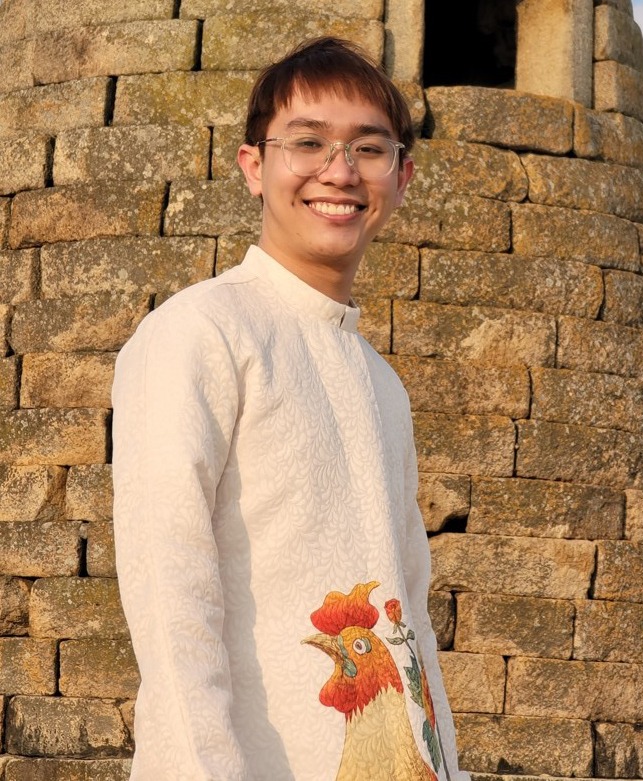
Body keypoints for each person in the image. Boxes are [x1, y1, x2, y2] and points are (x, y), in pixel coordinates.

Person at [112, 36, 469, 781]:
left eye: (368, 148)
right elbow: (170, 591)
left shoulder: (383, 385)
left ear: (402, 176)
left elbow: (408, 613)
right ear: (254, 166)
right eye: (307, 143)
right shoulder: (200, 333)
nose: (339, 171)